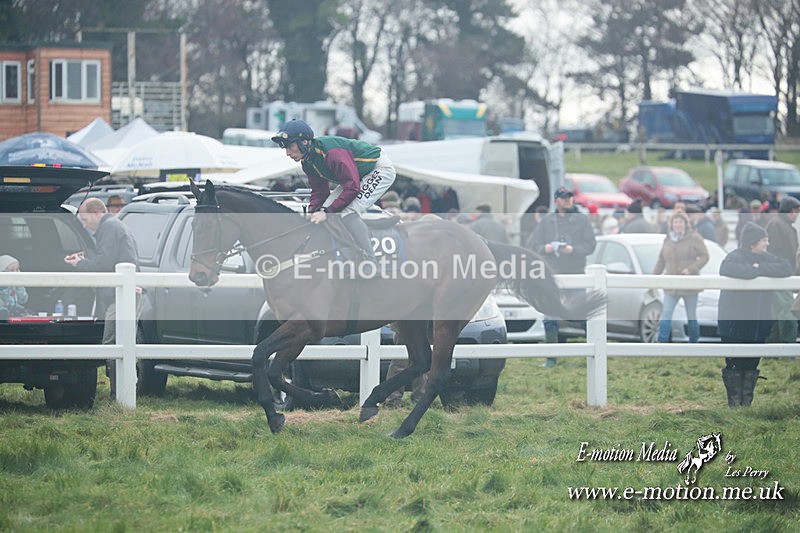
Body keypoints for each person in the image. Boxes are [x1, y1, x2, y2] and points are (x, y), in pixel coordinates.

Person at [271, 119, 396, 263]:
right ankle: (346, 252)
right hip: (356, 176)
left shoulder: (332, 153)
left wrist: (327, 212)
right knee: (326, 210)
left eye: (290, 146)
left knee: (346, 211)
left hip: (379, 169)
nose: (287, 153)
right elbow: (319, 192)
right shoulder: (307, 162)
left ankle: (370, 259)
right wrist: (313, 212)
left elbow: (353, 188)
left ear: (304, 142)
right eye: (285, 148)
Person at [64, 198, 141, 396]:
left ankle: (121, 394)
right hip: (122, 295)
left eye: (85, 218)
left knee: (112, 345)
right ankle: (121, 391)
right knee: (121, 344)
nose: (84, 224)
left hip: (120, 297)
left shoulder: (108, 228)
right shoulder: (113, 226)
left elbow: (103, 264)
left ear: (97, 213)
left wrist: (79, 264)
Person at [718, 222, 792, 407]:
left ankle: (746, 405)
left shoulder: (766, 257)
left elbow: (786, 268)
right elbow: (729, 269)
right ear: (752, 243)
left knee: (751, 364)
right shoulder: (734, 257)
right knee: (735, 363)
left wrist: (759, 267)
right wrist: (757, 269)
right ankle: (735, 405)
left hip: (758, 324)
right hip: (735, 325)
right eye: (763, 240)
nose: (767, 244)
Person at [530, 187, 596, 367]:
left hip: (575, 272)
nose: (567, 200)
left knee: (581, 314)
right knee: (549, 316)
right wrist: (545, 248)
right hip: (553, 274)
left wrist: (573, 249)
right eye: (564, 197)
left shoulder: (582, 220)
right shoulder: (547, 221)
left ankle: (595, 351)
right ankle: (551, 357)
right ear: (556, 200)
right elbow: (534, 244)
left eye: (569, 197)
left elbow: (591, 245)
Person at [652, 212, 709, 343]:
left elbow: (705, 256)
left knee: (691, 316)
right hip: (671, 286)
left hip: (689, 284)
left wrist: (692, 269)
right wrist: (652, 279)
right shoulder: (667, 239)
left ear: (685, 223)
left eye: (681, 222)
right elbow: (661, 261)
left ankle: (694, 343)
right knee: (666, 314)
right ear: (671, 224)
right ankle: (661, 343)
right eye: (675, 222)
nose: (678, 224)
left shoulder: (694, 237)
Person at [764, 196, 800, 344]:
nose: (797, 214)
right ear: (790, 210)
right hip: (779, 276)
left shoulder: (782, 224)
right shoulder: (776, 225)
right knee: (786, 312)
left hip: (784, 275)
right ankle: (788, 347)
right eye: (796, 210)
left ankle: (774, 346)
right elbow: (772, 252)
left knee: (779, 312)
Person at [0, 255, 28, 319]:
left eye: (17, 269)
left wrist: (20, 285)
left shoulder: (16, 285)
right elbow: (4, 301)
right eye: (12, 270)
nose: (15, 272)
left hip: (15, 312)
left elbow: (23, 300)